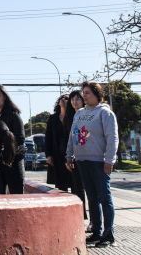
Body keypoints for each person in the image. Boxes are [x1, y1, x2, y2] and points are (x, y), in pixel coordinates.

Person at [66, 81, 118, 248]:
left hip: (99, 162)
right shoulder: (79, 113)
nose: (84, 96)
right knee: (92, 198)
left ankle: (108, 232)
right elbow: (72, 136)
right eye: (84, 93)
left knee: (104, 196)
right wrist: (69, 155)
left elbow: (112, 137)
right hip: (82, 160)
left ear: (97, 95)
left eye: (88, 93)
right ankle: (96, 230)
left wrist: (109, 159)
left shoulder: (105, 113)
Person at [64, 90, 88, 225]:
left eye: (77, 99)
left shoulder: (88, 113)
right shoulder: (70, 116)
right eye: (72, 99)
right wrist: (69, 156)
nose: (75, 102)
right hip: (75, 156)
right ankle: (81, 213)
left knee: (90, 189)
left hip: (87, 155)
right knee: (77, 187)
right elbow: (70, 138)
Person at [45, 94, 72, 191]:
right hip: (57, 154)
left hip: (70, 154)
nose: (63, 100)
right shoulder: (53, 118)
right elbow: (48, 138)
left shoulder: (73, 117)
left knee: (75, 184)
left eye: (67, 99)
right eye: (61, 98)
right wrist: (48, 155)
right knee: (61, 185)